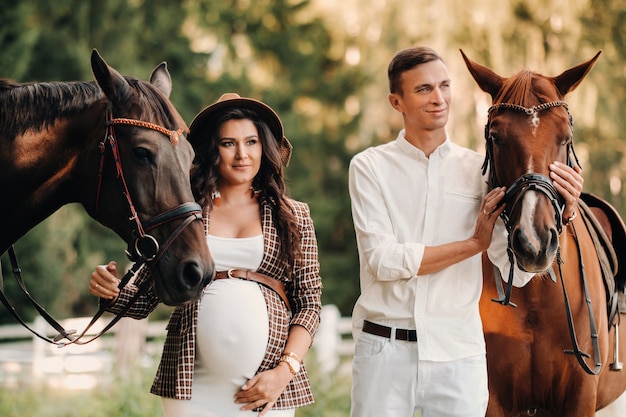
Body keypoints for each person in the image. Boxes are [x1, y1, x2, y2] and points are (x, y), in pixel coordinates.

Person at [348, 46, 583, 417]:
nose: (438, 98)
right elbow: (383, 261)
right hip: (384, 356)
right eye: (424, 89)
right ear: (397, 101)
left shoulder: (481, 173)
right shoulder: (369, 167)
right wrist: (473, 244)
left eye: (444, 85)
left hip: (459, 358)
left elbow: (517, 272)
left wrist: (565, 215)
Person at [90, 93, 322, 417]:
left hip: (266, 384)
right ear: (213, 150)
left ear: (263, 147)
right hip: (191, 385)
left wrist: (284, 372)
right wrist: (112, 291)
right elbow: (142, 300)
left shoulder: (293, 215)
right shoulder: (185, 211)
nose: (242, 154)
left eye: (251, 142)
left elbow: (309, 303)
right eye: (229, 143)